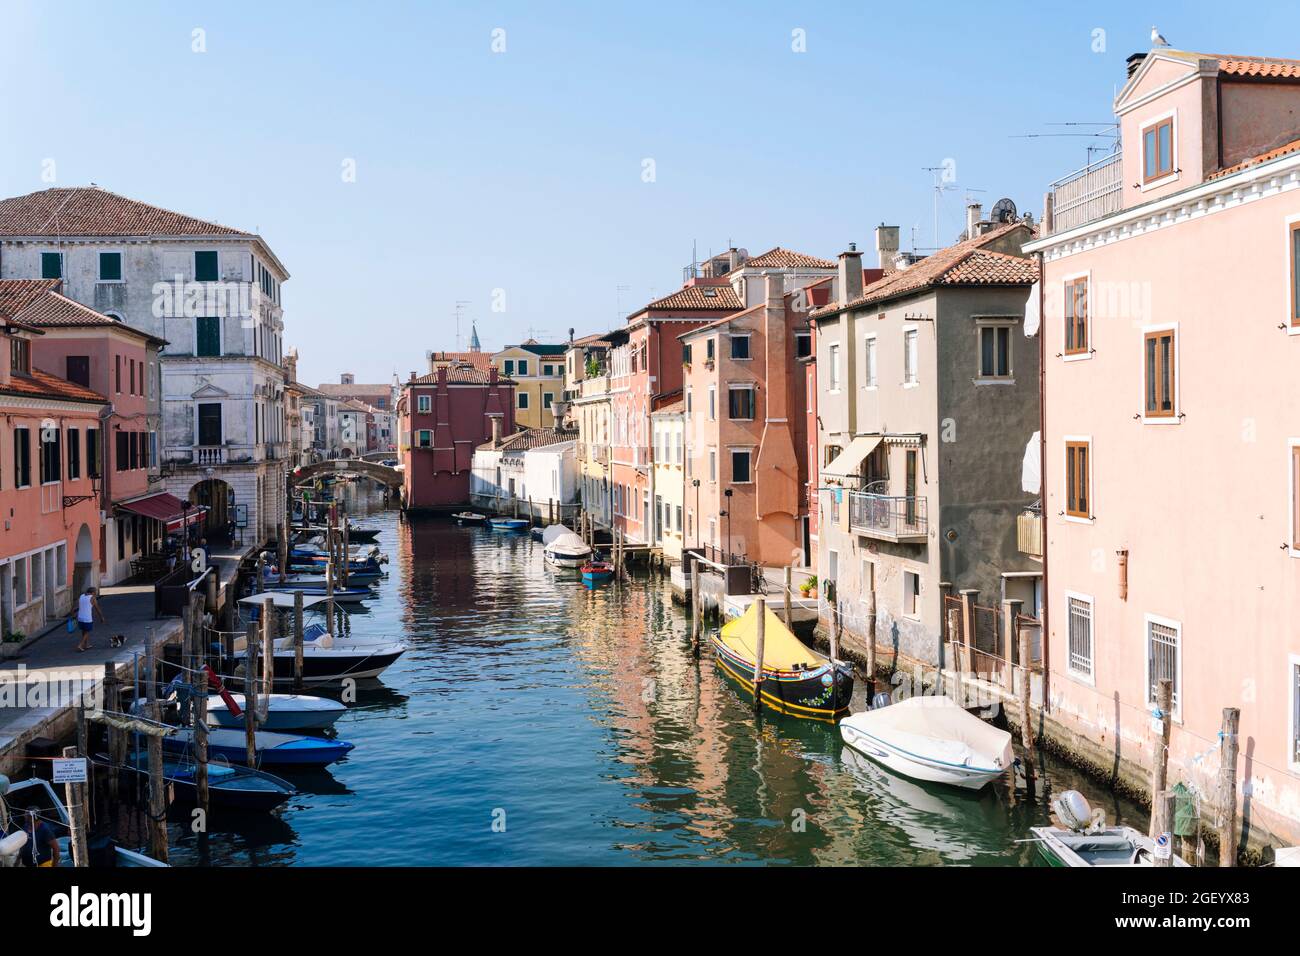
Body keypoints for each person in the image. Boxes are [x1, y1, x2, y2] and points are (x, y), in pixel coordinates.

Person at [75, 587, 104, 652]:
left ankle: (86, 644)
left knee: (84, 630)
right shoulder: (92, 598)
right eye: (95, 592)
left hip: (80, 617)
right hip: (87, 618)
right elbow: (97, 609)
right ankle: (80, 645)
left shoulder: (81, 596)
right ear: (93, 592)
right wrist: (101, 617)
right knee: (87, 631)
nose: (96, 593)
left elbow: (75, 605)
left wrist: (72, 614)